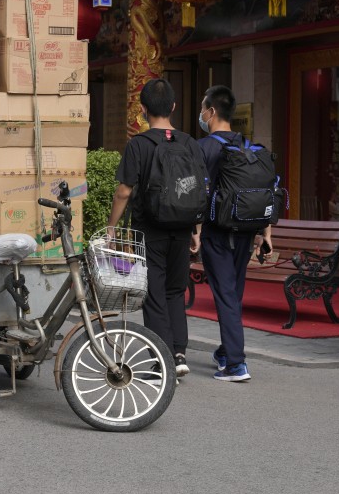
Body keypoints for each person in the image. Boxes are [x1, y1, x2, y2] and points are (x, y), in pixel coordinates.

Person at [106, 79, 201, 377]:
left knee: (155, 294)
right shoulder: (189, 143)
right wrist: (197, 230)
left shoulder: (139, 145)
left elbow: (124, 191)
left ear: (143, 109)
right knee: (175, 291)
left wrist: (111, 227)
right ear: (173, 106)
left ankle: (162, 360)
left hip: (150, 230)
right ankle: (180, 354)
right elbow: (197, 190)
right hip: (183, 228)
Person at [197, 85, 272, 382]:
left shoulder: (204, 148)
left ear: (211, 112)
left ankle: (236, 364)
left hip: (217, 232)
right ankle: (226, 352)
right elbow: (265, 190)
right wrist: (266, 234)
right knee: (233, 292)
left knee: (225, 293)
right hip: (247, 231)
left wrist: (196, 230)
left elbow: (197, 193)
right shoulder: (247, 146)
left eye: (203, 108)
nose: (202, 114)